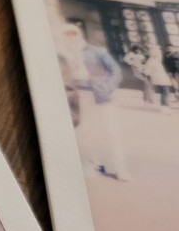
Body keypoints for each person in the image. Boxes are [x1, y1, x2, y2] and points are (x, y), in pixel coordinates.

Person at [59, 25, 129, 181]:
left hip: (100, 95)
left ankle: (119, 167)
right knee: (86, 133)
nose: (71, 37)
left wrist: (107, 87)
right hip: (79, 97)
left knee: (111, 132)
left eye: (74, 34)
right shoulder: (63, 55)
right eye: (67, 34)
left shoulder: (97, 51)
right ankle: (93, 164)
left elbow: (115, 70)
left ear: (80, 35)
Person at [144, 47, 172, 113]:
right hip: (160, 79)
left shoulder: (154, 60)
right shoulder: (152, 60)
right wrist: (152, 73)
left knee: (165, 93)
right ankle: (164, 107)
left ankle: (164, 106)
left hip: (161, 78)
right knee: (165, 92)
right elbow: (146, 71)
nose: (160, 54)